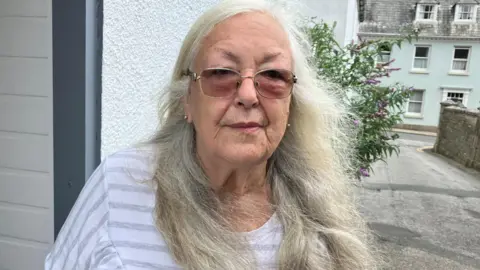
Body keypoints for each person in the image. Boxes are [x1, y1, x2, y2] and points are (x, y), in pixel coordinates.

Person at [45, 0, 376, 269]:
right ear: (187, 98)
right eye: (221, 72)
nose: (248, 94)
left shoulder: (320, 212)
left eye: (273, 74)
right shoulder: (121, 185)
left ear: (292, 103)